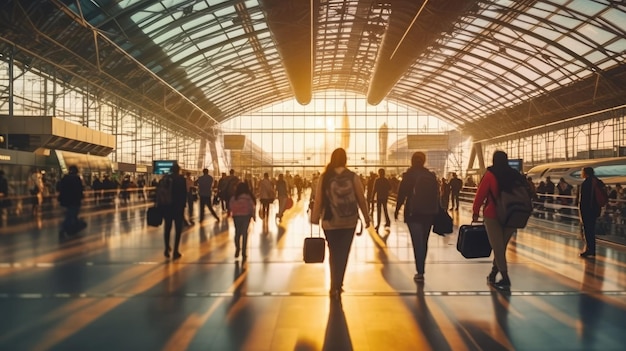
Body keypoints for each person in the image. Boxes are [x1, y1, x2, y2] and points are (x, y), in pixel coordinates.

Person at [310, 148, 370, 299]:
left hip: (330, 221)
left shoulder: (325, 177)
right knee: (344, 253)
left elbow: (318, 200)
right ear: (345, 159)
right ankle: (339, 284)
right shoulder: (352, 177)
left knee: (333, 253)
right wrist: (367, 217)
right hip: (349, 221)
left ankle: (333, 285)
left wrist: (315, 217)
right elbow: (361, 198)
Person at [472, 150, 524, 290]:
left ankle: (505, 277)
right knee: (501, 247)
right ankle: (493, 274)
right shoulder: (515, 175)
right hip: (512, 215)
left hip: (493, 215)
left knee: (498, 248)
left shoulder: (490, 175)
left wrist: (475, 212)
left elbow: (480, 195)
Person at [394, 151, 439, 283]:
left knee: (417, 242)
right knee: (424, 242)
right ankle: (421, 269)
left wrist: (397, 209)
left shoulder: (408, 175)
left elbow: (401, 194)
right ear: (424, 161)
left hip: (413, 213)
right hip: (429, 214)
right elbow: (436, 195)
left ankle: (420, 271)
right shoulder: (430, 175)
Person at [158, 163, 187, 260]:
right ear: (178, 170)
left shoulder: (166, 179)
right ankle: (175, 251)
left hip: (167, 207)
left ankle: (166, 248)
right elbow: (184, 194)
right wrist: (183, 206)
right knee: (178, 230)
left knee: (167, 228)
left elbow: (159, 192)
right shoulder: (181, 179)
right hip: (178, 208)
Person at [578, 167, 605, 258]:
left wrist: (580, 211)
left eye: (582, 172)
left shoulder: (586, 183)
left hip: (587, 210)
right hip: (595, 210)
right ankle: (592, 249)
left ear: (585, 173)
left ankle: (589, 249)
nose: (581, 174)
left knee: (587, 230)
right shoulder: (598, 181)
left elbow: (583, 200)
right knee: (591, 230)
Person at [229, 181, 256, 260]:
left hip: (236, 216)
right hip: (246, 216)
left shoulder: (235, 197)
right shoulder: (248, 197)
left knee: (237, 232)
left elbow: (230, 205)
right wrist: (253, 216)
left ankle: (237, 248)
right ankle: (244, 252)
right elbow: (252, 206)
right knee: (245, 233)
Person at [57, 165, 84, 237]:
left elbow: (60, 188)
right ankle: (68, 229)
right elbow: (79, 190)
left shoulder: (65, 178)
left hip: (65, 201)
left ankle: (68, 229)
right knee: (72, 215)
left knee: (69, 215)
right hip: (74, 201)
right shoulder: (77, 179)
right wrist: (81, 198)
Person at [372, 168, 391, 232]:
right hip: (384, 197)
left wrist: (372, 197)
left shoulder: (377, 180)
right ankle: (388, 222)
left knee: (379, 211)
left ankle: (378, 225)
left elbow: (375, 189)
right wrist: (385, 191)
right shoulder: (386, 180)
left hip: (379, 197)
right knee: (385, 210)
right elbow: (390, 187)